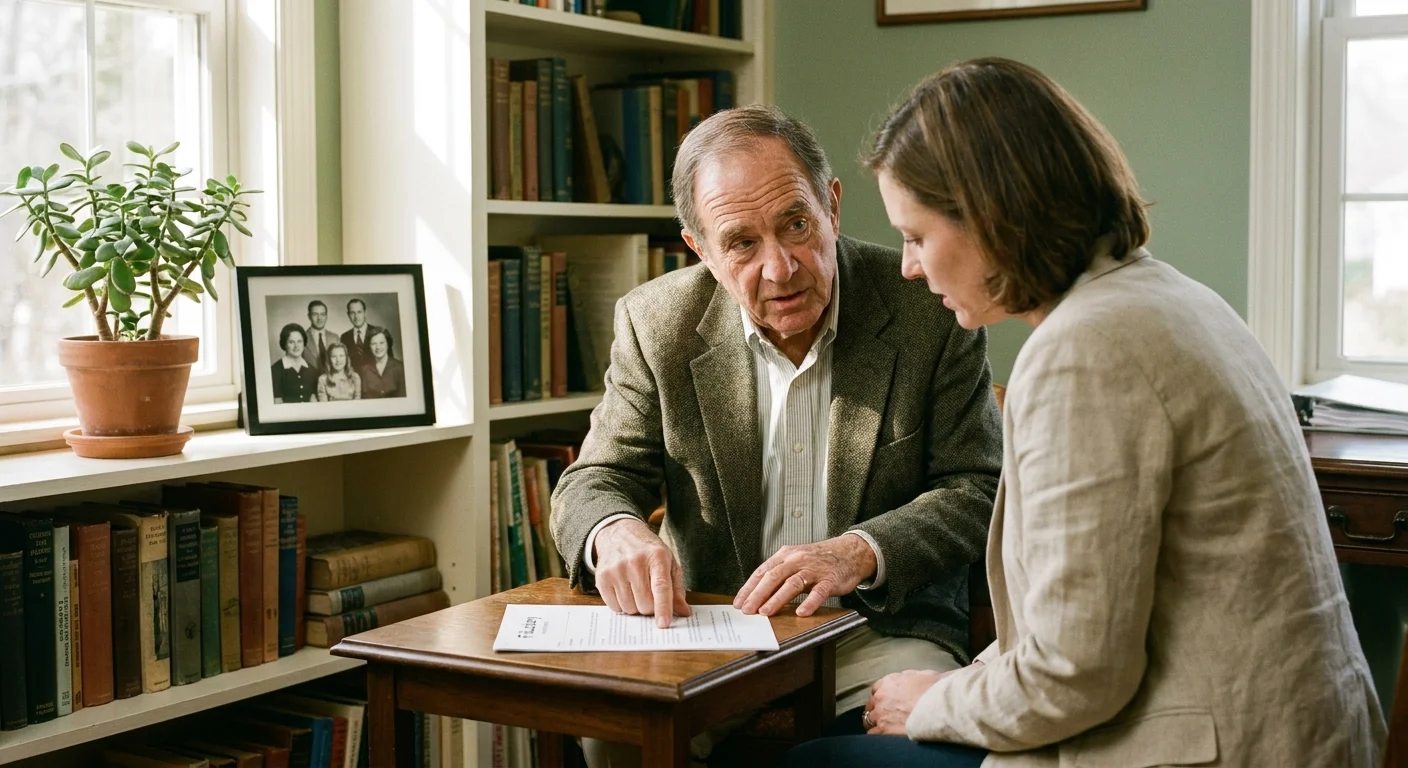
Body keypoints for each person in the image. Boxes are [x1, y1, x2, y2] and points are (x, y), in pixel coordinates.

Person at [784, 58, 1386, 768]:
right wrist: (963, 682)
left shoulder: (1083, 350)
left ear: (989, 215)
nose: (909, 266)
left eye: (916, 235)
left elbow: (1078, 672)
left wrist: (935, 700)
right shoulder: (1172, 298)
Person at [549, 104, 1003, 767]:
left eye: (796, 225)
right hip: (713, 633)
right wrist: (613, 530)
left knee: (920, 762)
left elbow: (978, 485)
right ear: (699, 248)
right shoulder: (656, 324)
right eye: (741, 242)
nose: (781, 268)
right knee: (608, 733)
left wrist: (858, 550)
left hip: (877, 634)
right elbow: (595, 479)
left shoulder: (926, 306)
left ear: (833, 205)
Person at [271, 323, 318, 404]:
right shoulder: (275, 370)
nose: (296, 346)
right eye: (291, 342)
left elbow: (313, 401)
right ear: (284, 344)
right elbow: (277, 403)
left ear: (304, 343)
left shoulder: (312, 370)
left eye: (299, 341)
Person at [341, 297, 386, 374]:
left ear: (365, 313)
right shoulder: (344, 337)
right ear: (348, 315)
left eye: (359, 312)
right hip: (354, 382)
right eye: (352, 313)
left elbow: (389, 362)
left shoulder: (379, 333)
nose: (356, 317)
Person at [358, 329, 405, 398]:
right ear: (369, 346)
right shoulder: (364, 370)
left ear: (388, 344)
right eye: (374, 344)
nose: (378, 347)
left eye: (381, 343)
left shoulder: (400, 368)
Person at [302, 299, 340, 373]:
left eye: (322, 314)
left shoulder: (335, 338)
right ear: (309, 316)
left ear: (326, 316)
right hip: (310, 382)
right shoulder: (302, 338)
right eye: (315, 314)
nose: (319, 318)